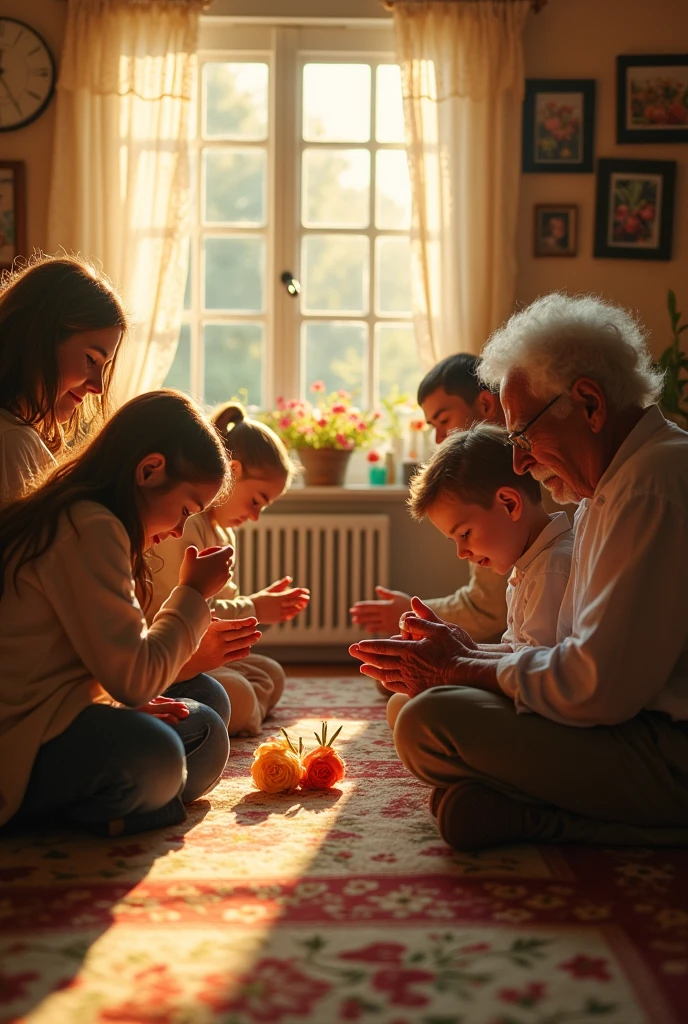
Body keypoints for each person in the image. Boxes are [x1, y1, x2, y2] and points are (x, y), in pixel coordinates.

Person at [350, 292, 688, 851]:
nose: (520, 462)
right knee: (424, 711)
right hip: (634, 728)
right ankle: (521, 804)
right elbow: (575, 655)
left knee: (428, 723)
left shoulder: (649, 487)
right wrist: (467, 655)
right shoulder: (608, 491)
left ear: (589, 404)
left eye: (524, 436)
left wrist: (461, 666)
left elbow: (595, 690)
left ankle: (553, 821)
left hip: (668, 750)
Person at [0, 390, 258, 837]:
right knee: (157, 752)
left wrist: (119, 703)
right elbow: (135, 678)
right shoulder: (89, 526)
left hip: (63, 705)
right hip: (21, 735)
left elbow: (104, 665)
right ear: (149, 470)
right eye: (183, 511)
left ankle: (134, 806)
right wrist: (192, 592)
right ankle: (72, 816)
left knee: (208, 702)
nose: (179, 529)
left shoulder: (94, 518)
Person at [386, 423, 572, 731]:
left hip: (544, 717)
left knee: (414, 714)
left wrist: (457, 664)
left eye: (464, 534)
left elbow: (534, 672)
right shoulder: (529, 565)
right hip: (524, 693)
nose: (461, 552)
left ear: (509, 504)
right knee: (404, 703)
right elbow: (517, 652)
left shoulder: (552, 568)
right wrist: (456, 647)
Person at [148, 402, 310, 737]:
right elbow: (182, 608)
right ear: (231, 472)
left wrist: (253, 607)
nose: (255, 517)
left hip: (201, 652)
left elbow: (222, 603)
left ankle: (244, 713)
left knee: (271, 673)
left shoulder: (222, 531)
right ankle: (243, 714)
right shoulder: (183, 525)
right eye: (256, 501)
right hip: (174, 654)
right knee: (238, 692)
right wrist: (256, 607)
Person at [351, 353, 509, 645]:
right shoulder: (492, 468)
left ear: (486, 404)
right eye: (431, 426)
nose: (439, 438)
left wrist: (414, 613)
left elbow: (491, 610)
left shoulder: (508, 475)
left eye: (444, 420)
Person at [0, 253, 126, 508]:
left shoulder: (18, 437)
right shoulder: (12, 441)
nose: (98, 388)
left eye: (104, 368)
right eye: (91, 360)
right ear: (40, 340)